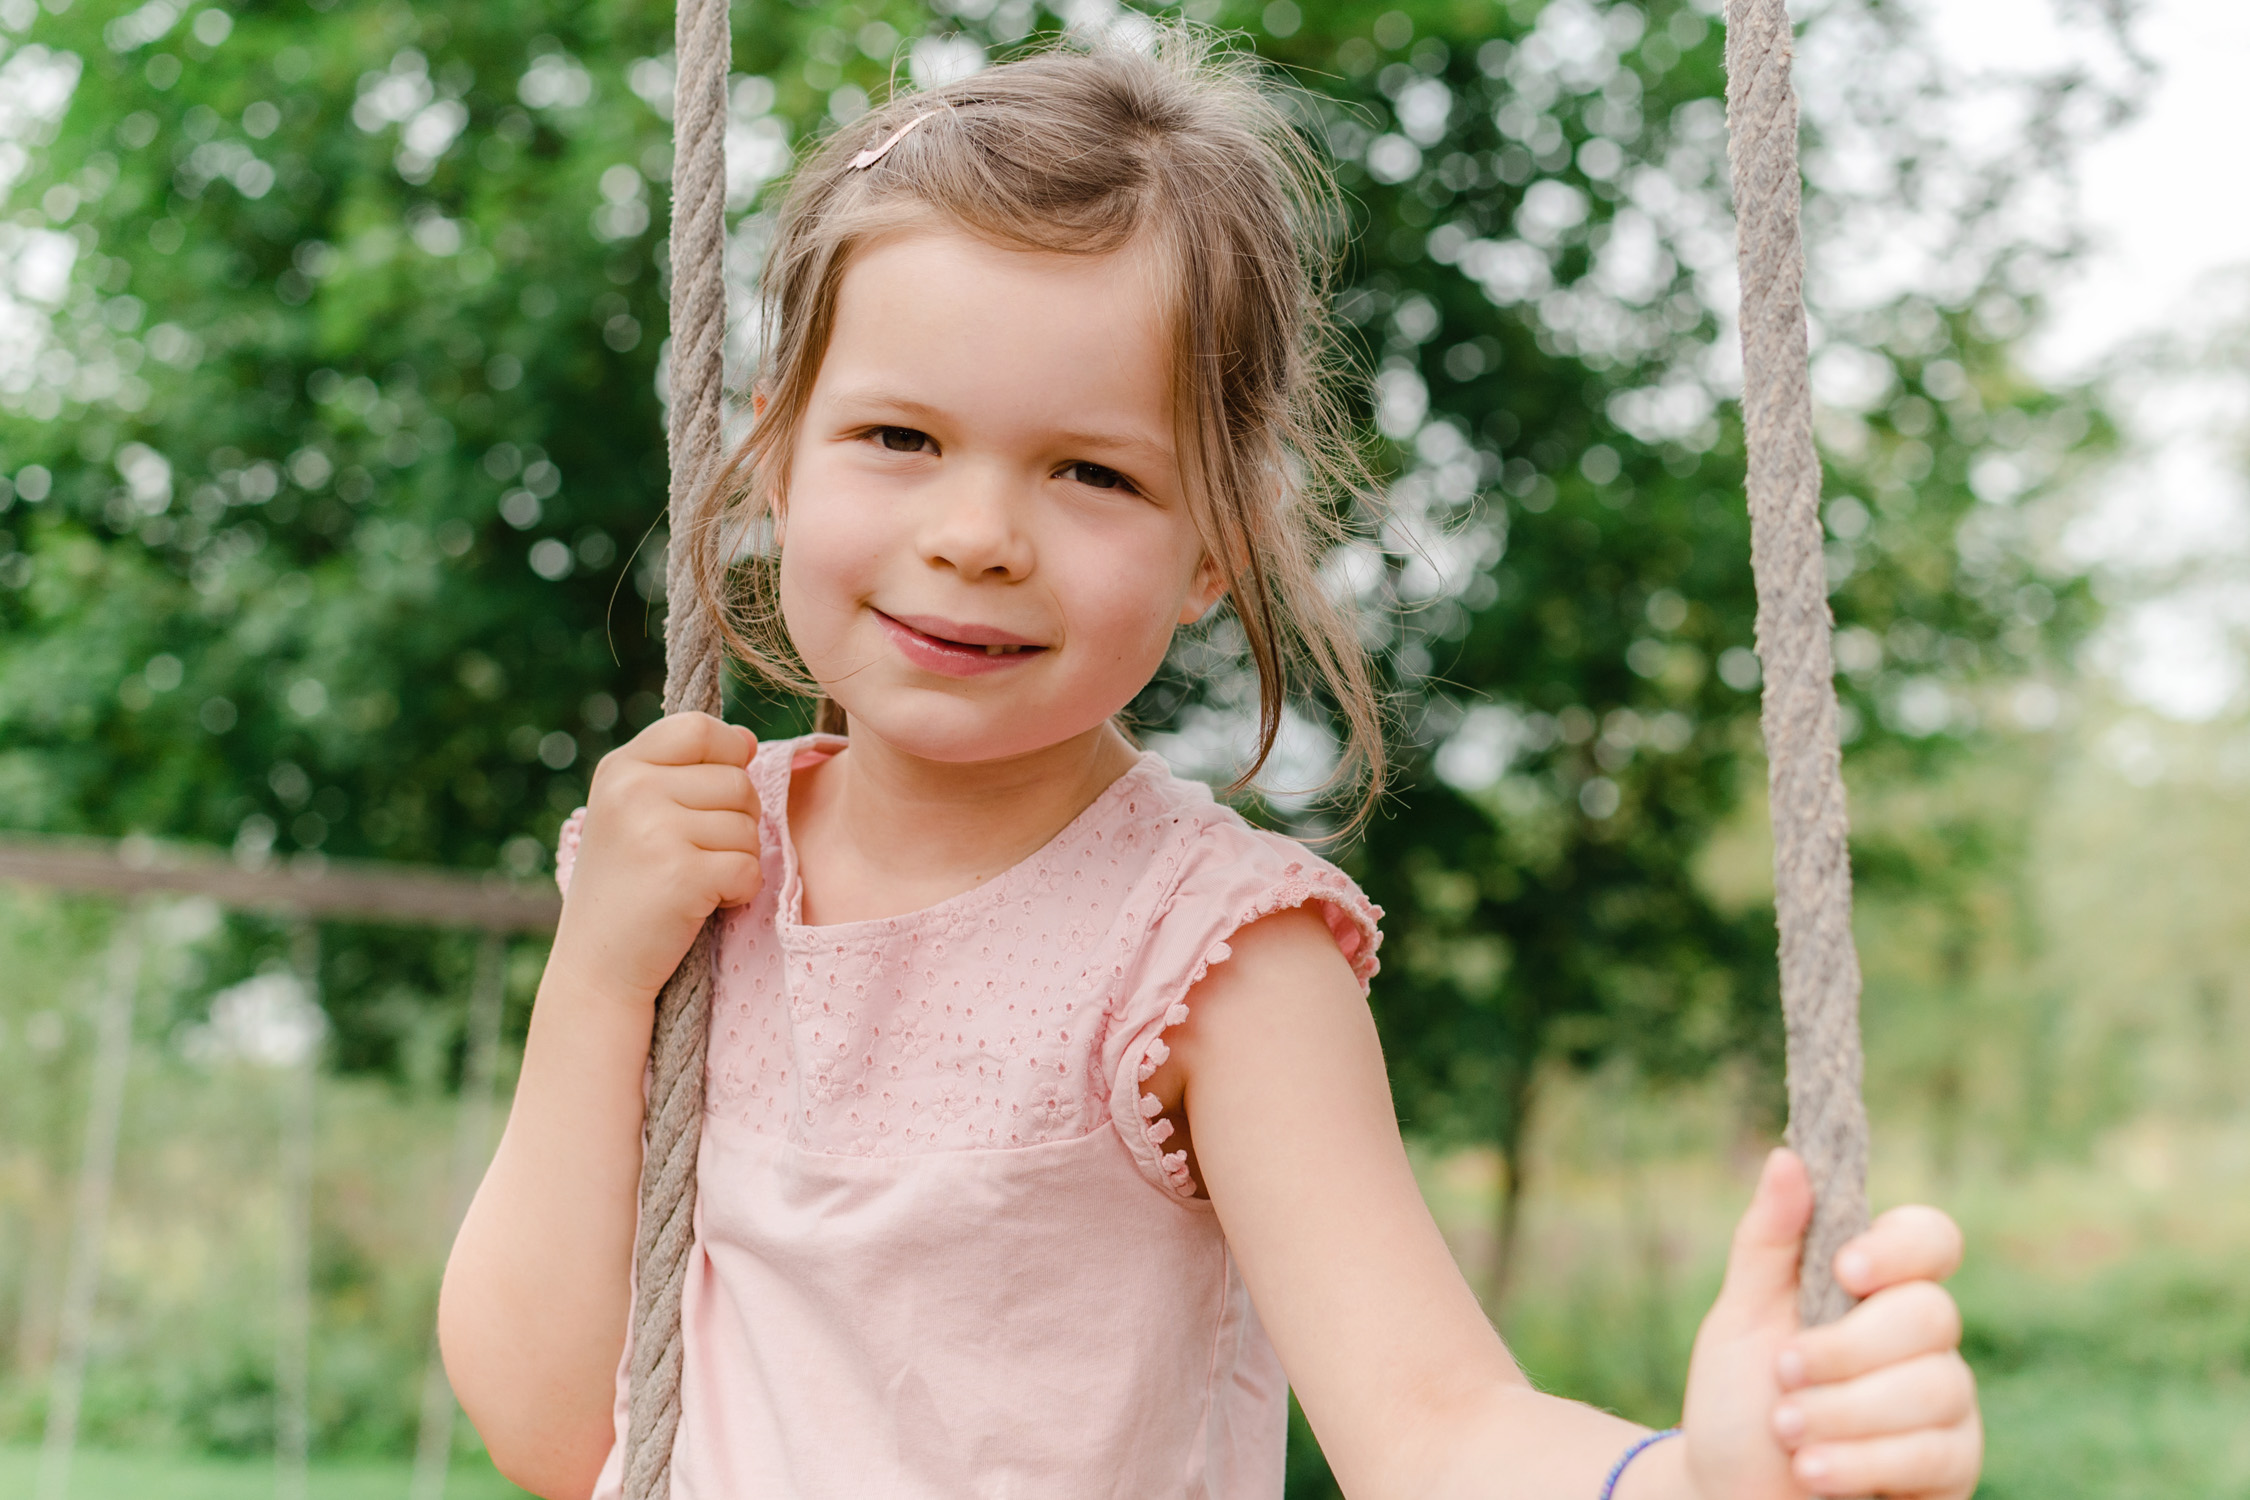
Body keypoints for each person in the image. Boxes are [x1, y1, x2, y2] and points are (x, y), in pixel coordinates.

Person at [440, 31, 1981, 1500]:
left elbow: (1431, 1429)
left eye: (1092, 472)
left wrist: (1695, 1476)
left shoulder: (1209, 958)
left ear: (1213, 546)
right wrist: (599, 974)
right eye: (900, 438)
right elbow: (550, 1427)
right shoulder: (690, 867)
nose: (975, 536)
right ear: (776, 451)